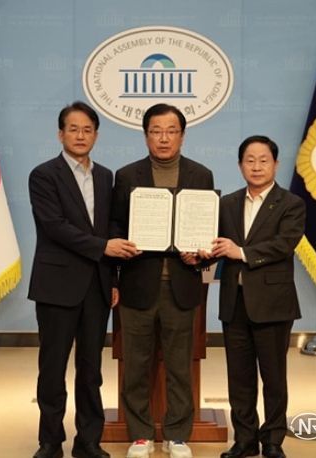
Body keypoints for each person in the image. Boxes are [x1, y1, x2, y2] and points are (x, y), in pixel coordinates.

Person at [28, 101, 139, 458]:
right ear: (60, 134)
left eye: (87, 129)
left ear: (96, 135)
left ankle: (89, 440)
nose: (80, 135)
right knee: (52, 368)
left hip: (97, 286)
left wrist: (115, 279)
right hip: (56, 285)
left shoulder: (106, 177)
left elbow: (111, 227)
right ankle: (50, 441)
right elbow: (54, 227)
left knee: (91, 370)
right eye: (73, 129)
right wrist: (103, 247)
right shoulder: (43, 175)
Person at [111, 103, 214, 458]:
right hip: (138, 283)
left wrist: (201, 254)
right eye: (156, 131)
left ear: (182, 136)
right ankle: (140, 434)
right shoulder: (127, 175)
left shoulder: (201, 175)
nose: (164, 138)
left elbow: (208, 229)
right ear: (146, 136)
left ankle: (177, 435)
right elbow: (115, 224)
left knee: (179, 365)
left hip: (182, 285)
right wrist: (121, 245)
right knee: (136, 365)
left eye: (171, 131)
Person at [209, 135, 305, 458]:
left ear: (275, 164)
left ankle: (273, 440)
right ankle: (244, 440)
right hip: (234, 303)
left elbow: (284, 244)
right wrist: (199, 252)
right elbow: (215, 243)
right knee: (239, 377)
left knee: (273, 377)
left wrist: (241, 252)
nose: (256, 166)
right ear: (240, 165)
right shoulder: (227, 203)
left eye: (264, 160)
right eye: (249, 160)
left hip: (273, 304)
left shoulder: (291, 204)